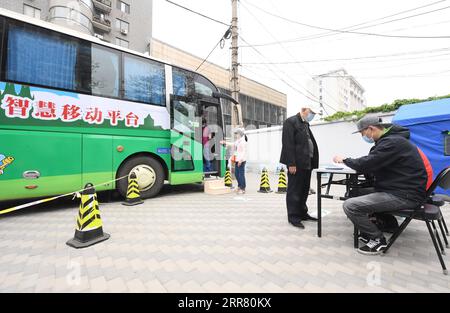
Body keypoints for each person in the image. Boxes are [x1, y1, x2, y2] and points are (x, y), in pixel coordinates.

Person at [333, 115, 427, 255]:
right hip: (401, 189)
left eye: (362, 133)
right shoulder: (392, 140)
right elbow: (373, 162)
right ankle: (384, 223)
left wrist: (345, 159)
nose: (363, 136)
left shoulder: (391, 143)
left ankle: (377, 239)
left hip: (404, 195)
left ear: (370, 129)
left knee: (350, 205)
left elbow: (367, 163)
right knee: (354, 193)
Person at [280, 106, 320, 229]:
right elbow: (288, 144)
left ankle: (303, 213)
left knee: (304, 190)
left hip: (306, 163)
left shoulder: (305, 124)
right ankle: (293, 217)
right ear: (304, 110)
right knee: (294, 191)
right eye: (311, 112)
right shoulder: (291, 122)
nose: (312, 115)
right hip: (296, 165)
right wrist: (291, 163)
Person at [233, 128, 248, 194]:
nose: (236, 135)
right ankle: (239, 186)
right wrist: (225, 143)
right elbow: (233, 144)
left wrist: (240, 160)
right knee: (236, 174)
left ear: (240, 134)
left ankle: (243, 188)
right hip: (237, 159)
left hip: (241, 160)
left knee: (241, 174)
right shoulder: (238, 141)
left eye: (237, 134)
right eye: (235, 134)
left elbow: (244, 152)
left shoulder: (243, 142)